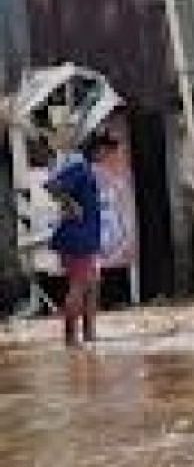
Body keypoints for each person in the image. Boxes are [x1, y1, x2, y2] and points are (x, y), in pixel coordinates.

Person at [45, 129, 118, 347]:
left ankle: (89, 333)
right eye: (106, 150)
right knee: (78, 285)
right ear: (98, 149)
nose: (107, 155)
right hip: (78, 237)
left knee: (92, 285)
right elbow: (52, 186)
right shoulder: (79, 168)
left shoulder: (86, 170)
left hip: (86, 237)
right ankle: (70, 338)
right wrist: (71, 205)